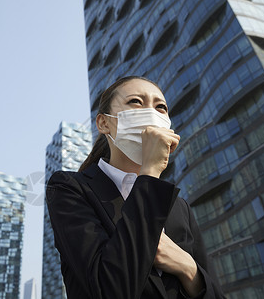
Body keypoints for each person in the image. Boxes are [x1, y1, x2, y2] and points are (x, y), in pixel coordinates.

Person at [45, 76, 225, 299]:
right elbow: (108, 289)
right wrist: (149, 172)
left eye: (161, 107)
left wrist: (188, 268)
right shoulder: (70, 188)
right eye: (136, 102)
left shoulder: (179, 208)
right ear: (104, 123)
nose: (151, 113)